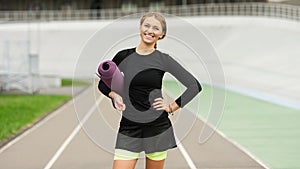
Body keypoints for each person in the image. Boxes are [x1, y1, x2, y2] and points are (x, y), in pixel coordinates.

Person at [98, 12, 202, 169]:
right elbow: (103, 84)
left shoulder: (163, 60)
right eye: (146, 25)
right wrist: (114, 95)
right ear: (140, 28)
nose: (150, 30)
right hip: (129, 126)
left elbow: (194, 86)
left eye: (156, 28)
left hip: (157, 127)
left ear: (161, 35)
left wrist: (171, 107)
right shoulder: (123, 56)